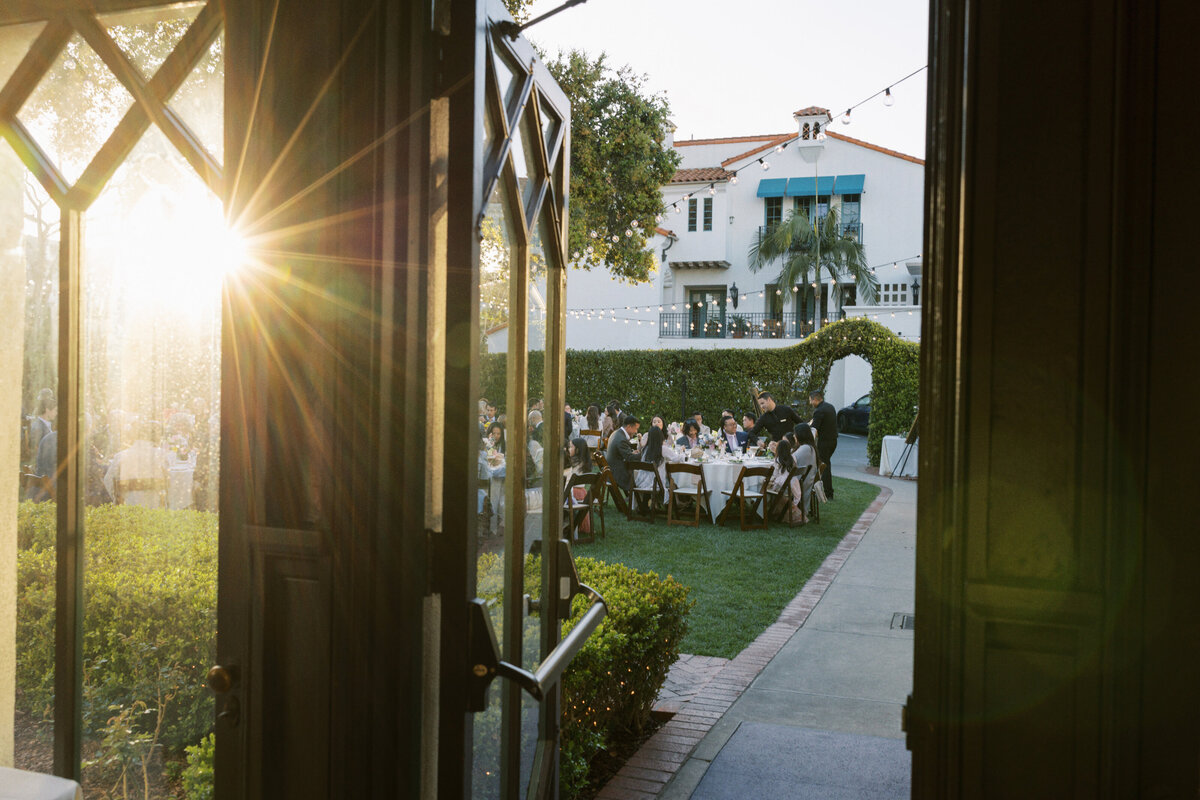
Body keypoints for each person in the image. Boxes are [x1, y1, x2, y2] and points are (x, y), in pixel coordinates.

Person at [103, 421, 169, 509]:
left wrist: (119, 499)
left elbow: (108, 481)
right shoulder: (161, 455)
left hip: (128, 508)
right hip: (155, 508)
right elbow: (170, 480)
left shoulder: (121, 456)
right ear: (157, 438)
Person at [633, 425, 683, 505]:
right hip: (655, 484)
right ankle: (678, 505)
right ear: (661, 436)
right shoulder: (662, 449)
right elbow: (677, 459)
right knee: (673, 483)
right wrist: (683, 454)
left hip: (641, 482)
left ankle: (649, 504)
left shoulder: (646, 449)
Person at [766, 437, 810, 526]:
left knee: (765, 487)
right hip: (793, 484)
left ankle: (765, 511)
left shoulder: (777, 460)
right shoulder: (792, 459)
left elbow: (774, 474)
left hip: (783, 486)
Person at [809, 390, 839, 500]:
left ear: (815, 399)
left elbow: (814, 429)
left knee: (824, 467)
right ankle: (826, 491)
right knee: (825, 465)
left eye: (811, 400)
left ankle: (828, 493)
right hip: (833, 441)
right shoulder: (830, 407)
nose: (811, 403)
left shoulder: (819, 411)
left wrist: (809, 442)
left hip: (824, 442)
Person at [604, 415, 641, 493]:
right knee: (641, 479)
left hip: (611, 469)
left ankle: (636, 501)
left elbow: (622, 452)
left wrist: (631, 451)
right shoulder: (621, 439)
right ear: (629, 427)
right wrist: (645, 454)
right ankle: (637, 502)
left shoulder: (616, 433)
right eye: (636, 429)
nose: (636, 432)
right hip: (617, 473)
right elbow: (630, 457)